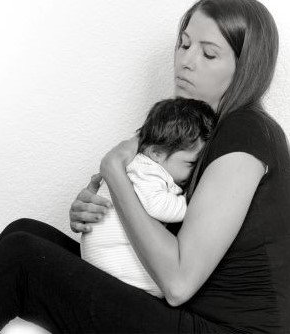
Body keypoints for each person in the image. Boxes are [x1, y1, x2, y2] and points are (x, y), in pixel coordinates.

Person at [0, 0, 290, 334]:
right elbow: (175, 233)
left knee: (23, 260)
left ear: (244, 68)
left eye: (209, 53)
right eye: (184, 44)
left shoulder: (245, 132)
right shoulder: (204, 131)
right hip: (194, 317)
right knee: (26, 234)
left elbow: (179, 281)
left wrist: (114, 171)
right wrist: (104, 214)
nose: (186, 61)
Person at [81, 97, 215, 297]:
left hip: (106, 259)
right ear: (157, 153)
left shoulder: (151, 165)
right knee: (162, 286)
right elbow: (157, 205)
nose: (195, 171)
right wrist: (191, 204)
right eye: (190, 164)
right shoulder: (146, 170)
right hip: (111, 262)